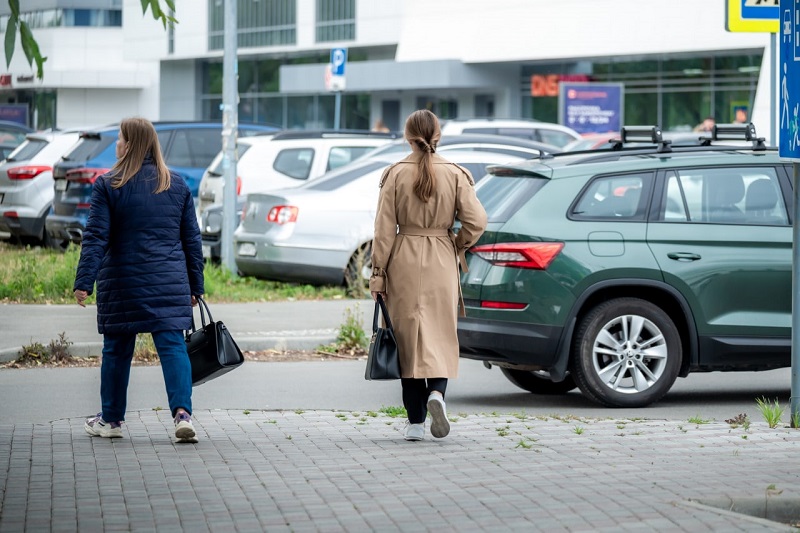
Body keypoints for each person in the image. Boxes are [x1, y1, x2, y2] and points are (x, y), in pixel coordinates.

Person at [73, 117, 205, 443]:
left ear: (129, 144)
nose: (116, 144)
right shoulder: (175, 184)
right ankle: (182, 415)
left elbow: (96, 238)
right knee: (173, 347)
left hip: (123, 283)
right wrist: (196, 286)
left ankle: (112, 420)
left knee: (117, 351)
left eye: (119, 138)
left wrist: (84, 280)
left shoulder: (109, 184)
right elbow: (192, 240)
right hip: (169, 282)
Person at [370, 109, 487, 441]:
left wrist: (378, 275)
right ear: (438, 136)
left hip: (402, 258)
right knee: (439, 333)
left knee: (406, 340)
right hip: (441, 257)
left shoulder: (393, 174)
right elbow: (477, 221)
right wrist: (457, 244)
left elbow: (382, 231)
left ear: (407, 137)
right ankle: (437, 394)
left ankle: (416, 423)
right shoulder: (455, 173)